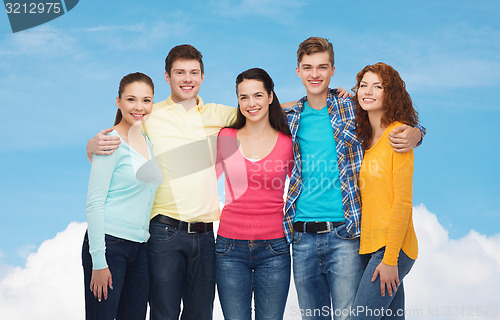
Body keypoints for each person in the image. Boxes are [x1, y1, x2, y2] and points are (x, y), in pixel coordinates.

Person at [282, 37, 426, 320]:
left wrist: (417, 131)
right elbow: (256, 108)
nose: (315, 74)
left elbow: (395, 120)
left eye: (322, 67)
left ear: (333, 70)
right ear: (297, 70)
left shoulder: (349, 111)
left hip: (346, 235)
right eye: (307, 67)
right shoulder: (291, 117)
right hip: (302, 235)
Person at [215, 68, 293, 320]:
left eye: (258, 95)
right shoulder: (226, 138)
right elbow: (201, 181)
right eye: (244, 97)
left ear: (271, 96)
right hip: (228, 249)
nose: (251, 104)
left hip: (274, 250)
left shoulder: (287, 142)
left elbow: (302, 187)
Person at [82, 72, 161, 320]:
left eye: (146, 100)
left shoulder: (148, 142)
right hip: (109, 246)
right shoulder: (110, 143)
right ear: (119, 102)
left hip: (140, 249)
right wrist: (99, 261)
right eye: (131, 100)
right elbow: (94, 204)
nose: (139, 107)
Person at [352, 62, 419, 320]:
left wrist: (391, 259)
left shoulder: (399, 135)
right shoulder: (363, 140)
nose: (368, 91)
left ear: (389, 93)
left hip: (393, 248)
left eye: (377, 86)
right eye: (363, 85)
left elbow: (403, 202)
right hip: (367, 246)